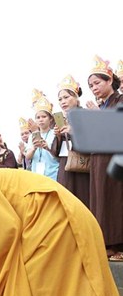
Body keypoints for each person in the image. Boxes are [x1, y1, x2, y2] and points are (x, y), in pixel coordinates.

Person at [86, 55, 123, 260]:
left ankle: (119, 244)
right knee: (101, 200)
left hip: (114, 159)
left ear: (110, 81)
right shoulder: (102, 105)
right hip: (98, 160)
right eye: (91, 85)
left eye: (97, 83)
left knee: (115, 200)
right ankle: (107, 242)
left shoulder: (120, 100)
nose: (94, 88)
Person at [50, 74, 90, 208]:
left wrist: (73, 132)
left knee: (82, 202)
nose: (63, 101)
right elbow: (55, 153)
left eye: (66, 97)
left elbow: (94, 142)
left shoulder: (86, 115)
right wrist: (58, 136)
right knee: (65, 203)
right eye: (60, 99)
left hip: (81, 166)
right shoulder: (61, 118)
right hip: (65, 165)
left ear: (76, 98)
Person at [25, 95, 59, 180]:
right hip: (37, 175)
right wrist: (34, 148)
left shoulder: (55, 133)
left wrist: (47, 148)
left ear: (50, 119)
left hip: (53, 174)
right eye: (38, 117)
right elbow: (28, 157)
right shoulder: (32, 136)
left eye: (44, 117)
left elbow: (58, 156)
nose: (41, 119)